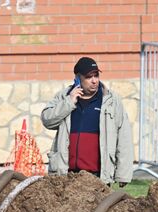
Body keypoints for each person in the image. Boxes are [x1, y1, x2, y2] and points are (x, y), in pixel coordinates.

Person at [41, 56, 133, 186]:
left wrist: (123, 174)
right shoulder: (64, 96)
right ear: (78, 78)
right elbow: (47, 120)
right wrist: (68, 103)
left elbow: (124, 137)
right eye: (89, 77)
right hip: (66, 176)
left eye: (96, 76)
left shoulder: (111, 100)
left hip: (98, 177)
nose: (94, 81)